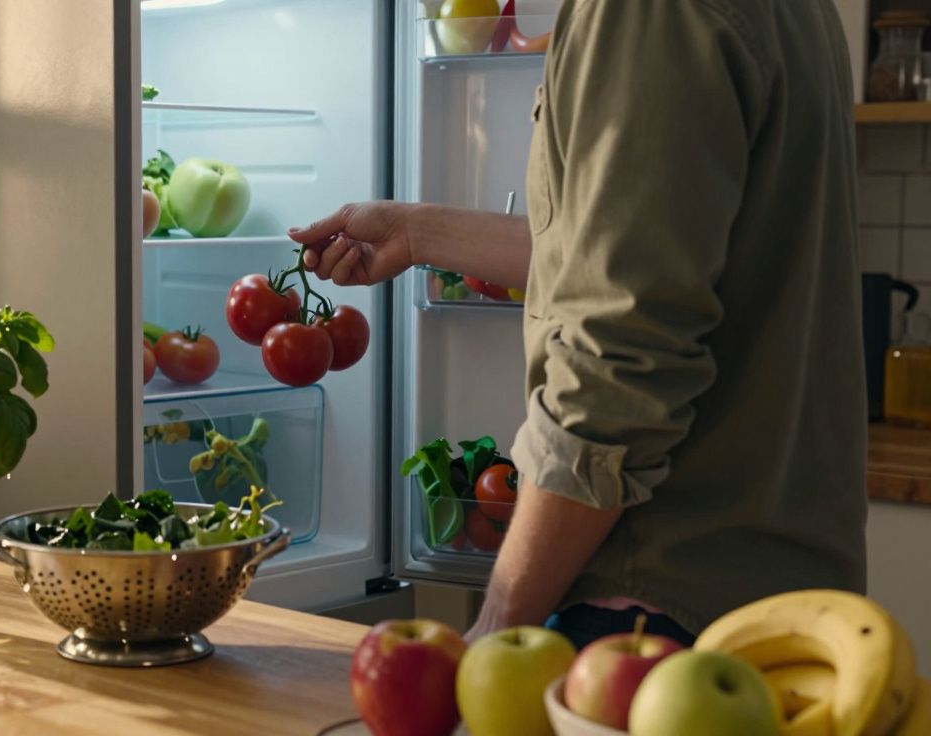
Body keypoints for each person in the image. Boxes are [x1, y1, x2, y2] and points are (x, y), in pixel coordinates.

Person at [290, 0, 866, 649]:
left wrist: (500, 621)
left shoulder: (643, 14)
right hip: (774, 597)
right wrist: (417, 231)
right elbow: (638, 252)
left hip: (655, 608)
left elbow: (617, 360)